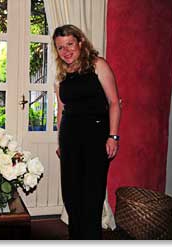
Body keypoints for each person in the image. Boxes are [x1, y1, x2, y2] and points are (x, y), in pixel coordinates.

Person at [53, 24, 121, 240]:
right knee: (71, 197)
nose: (66, 51)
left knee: (91, 197)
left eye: (70, 44)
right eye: (60, 47)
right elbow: (61, 110)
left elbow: (114, 103)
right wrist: (59, 142)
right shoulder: (61, 75)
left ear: (80, 42)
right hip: (69, 139)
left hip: (96, 137)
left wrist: (113, 136)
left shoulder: (98, 65)